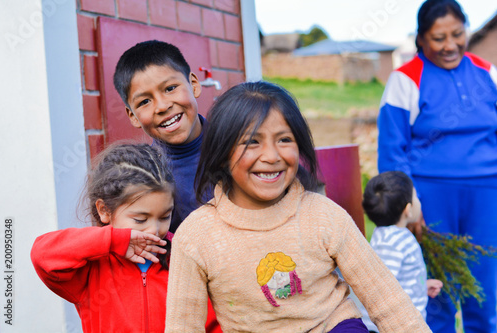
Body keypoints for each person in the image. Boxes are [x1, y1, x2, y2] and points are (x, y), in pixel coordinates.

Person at [164, 81, 431, 332]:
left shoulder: (324, 215)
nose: (271, 156)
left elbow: (387, 299)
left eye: (284, 139)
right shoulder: (196, 236)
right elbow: (183, 325)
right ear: (221, 155)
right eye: (252, 142)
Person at [377, 0, 497, 331]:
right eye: (438, 38)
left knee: (485, 289)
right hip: (429, 198)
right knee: (437, 289)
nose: (450, 46)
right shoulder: (405, 80)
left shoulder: (488, 74)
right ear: (421, 39)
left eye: (458, 34)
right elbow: (392, 150)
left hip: (487, 194)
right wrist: (407, 205)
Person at [31, 144, 218, 332]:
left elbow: (211, 324)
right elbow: (43, 254)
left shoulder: (182, 260)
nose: (154, 229)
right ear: (104, 210)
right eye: (140, 219)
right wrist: (113, 240)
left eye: (164, 217)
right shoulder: (92, 268)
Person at [113, 40, 205, 234]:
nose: (162, 106)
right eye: (145, 101)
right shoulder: (145, 177)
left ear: (194, 85)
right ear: (133, 116)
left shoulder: (237, 144)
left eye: (170, 88)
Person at [358, 171, 443, 332]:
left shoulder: (386, 234)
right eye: (415, 197)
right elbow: (382, 290)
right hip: (400, 326)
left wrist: (419, 286)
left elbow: (394, 280)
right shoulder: (392, 242)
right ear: (408, 209)